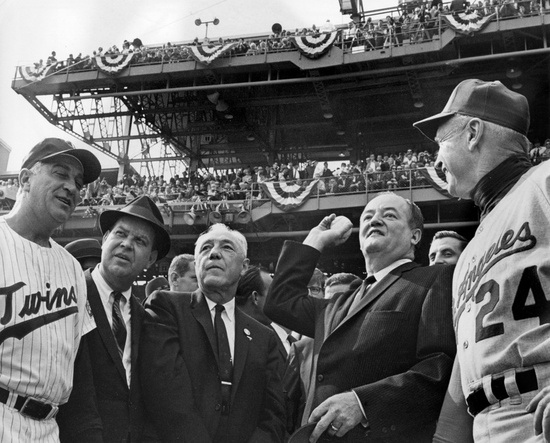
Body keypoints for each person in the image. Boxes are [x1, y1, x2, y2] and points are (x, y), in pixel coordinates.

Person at [413, 79, 550, 442]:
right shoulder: (471, 248)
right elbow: (467, 368)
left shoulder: (545, 182)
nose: (437, 159)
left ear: (473, 133)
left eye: (441, 141)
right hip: (487, 421)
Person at [265, 192, 455, 442]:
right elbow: (280, 301)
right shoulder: (338, 304)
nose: (374, 220)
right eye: (368, 216)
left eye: (389, 215)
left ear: (415, 235)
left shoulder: (435, 279)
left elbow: (440, 367)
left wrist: (363, 403)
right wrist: (315, 241)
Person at [140, 223, 286, 443]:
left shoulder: (264, 337)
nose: (214, 253)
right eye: (206, 248)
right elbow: (165, 393)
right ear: (197, 262)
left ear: (244, 266)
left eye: (227, 247)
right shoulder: (166, 307)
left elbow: (273, 415)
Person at [0, 138, 100, 441]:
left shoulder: (72, 267)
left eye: (78, 182)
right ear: (26, 179)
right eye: (60, 173)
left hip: (49, 428)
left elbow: (78, 367)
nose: (72, 187)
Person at [57, 195, 171, 442]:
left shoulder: (146, 319)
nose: (127, 244)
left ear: (151, 259)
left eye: (139, 241)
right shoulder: (67, 295)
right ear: (105, 238)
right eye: (120, 234)